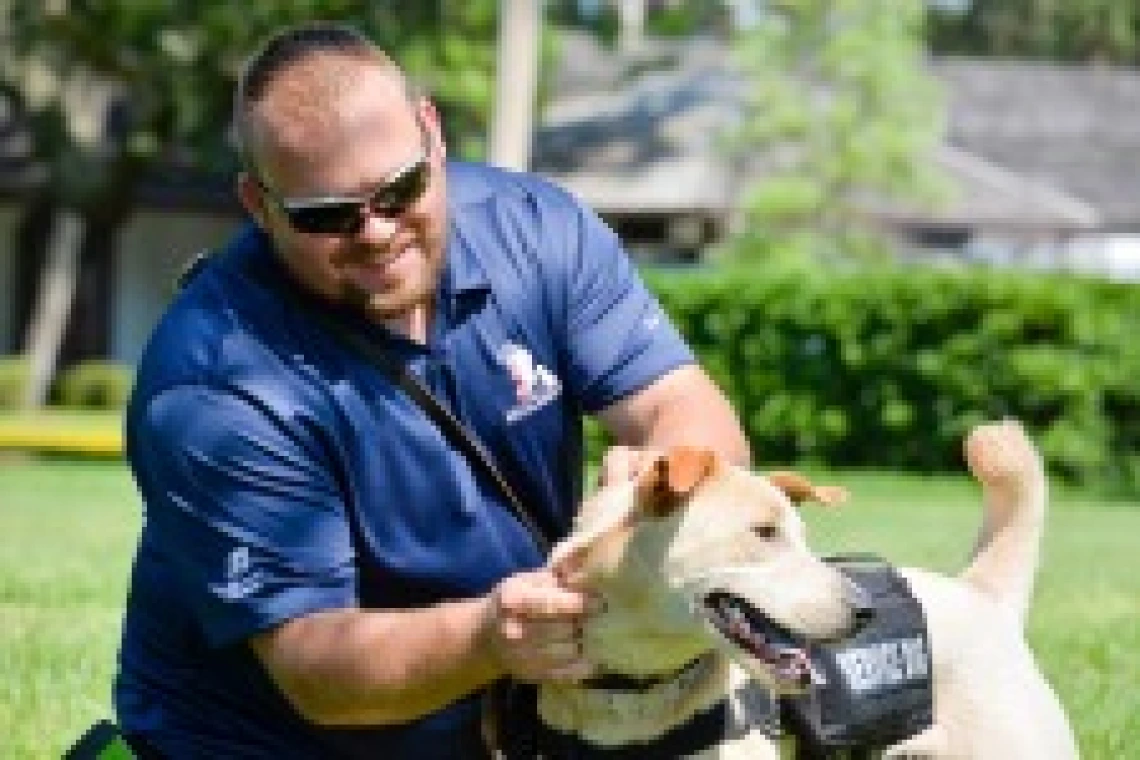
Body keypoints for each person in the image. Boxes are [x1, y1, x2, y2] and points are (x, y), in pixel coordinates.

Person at [114, 21, 750, 759]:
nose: (377, 232)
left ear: (432, 134)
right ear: (259, 207)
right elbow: (315, 668)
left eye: (400, 189)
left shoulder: (538, 232)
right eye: (327, 216)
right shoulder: (213, 386)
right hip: (273, 742)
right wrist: (490, 636)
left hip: (512, 715)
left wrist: (665, 474)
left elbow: (686, 405)